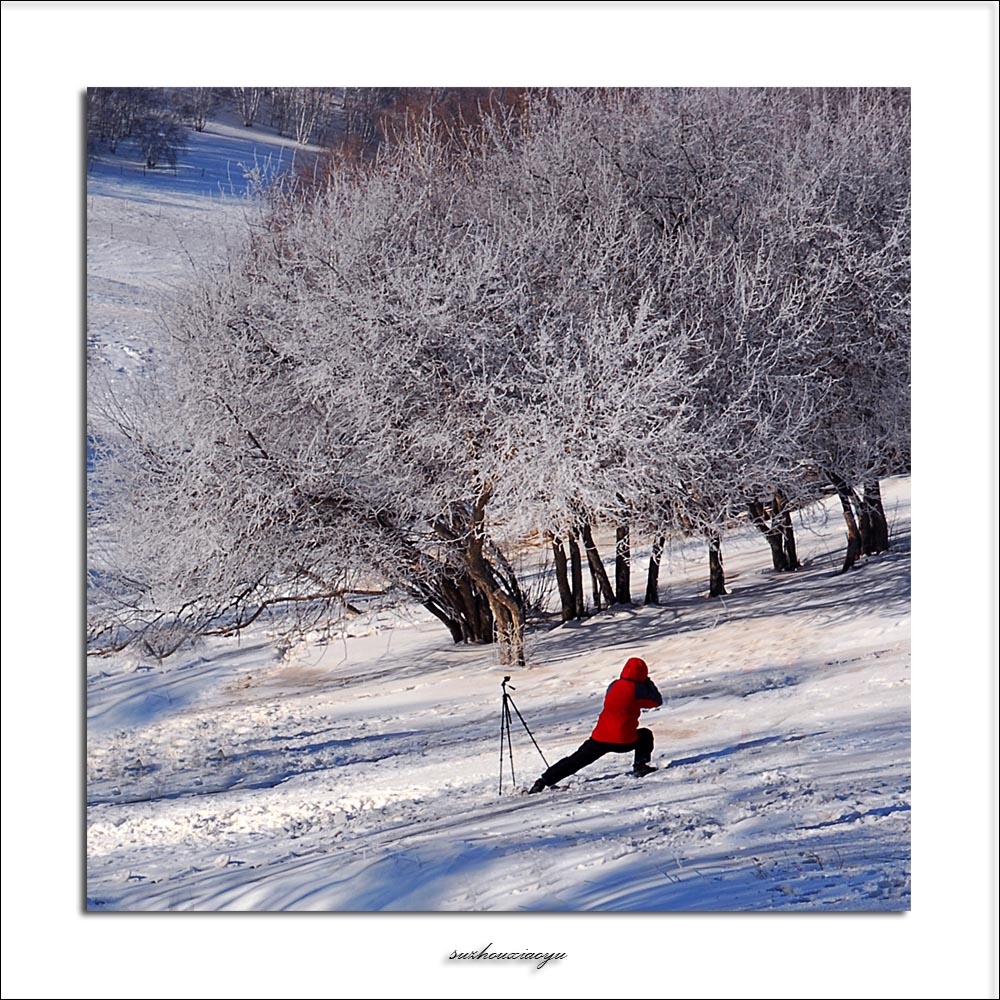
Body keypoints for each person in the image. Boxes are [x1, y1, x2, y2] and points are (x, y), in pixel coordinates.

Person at [529, 656, 663, 792]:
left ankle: (543, 781)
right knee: (645, 735)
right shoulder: (638, 689)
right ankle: (640, 766)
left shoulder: (614, 685)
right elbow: (656, 701)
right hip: (624, 739)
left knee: (575, 760)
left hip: (601, 737)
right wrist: (648, 682)